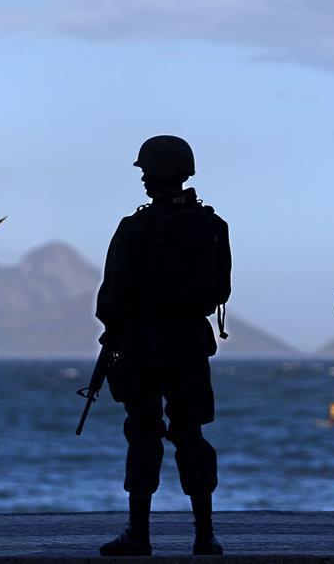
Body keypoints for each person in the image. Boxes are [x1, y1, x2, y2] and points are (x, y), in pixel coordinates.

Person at [95, 135, 231, 557]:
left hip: (142, 346)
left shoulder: (135, 228)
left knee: (143, 435)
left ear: (151, 175)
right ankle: (205, 535)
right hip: (189, 345)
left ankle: (139, 534)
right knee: (191, 435)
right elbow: (221, 290)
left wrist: (114, 333)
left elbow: (111, 298)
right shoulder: (212, 226)